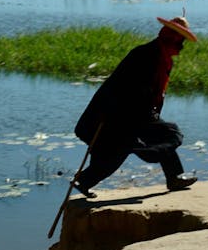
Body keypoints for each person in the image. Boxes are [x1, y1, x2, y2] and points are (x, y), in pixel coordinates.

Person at [71, 16, 199, 197]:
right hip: (114, 115)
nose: (182, 46)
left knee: (124, 148)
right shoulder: (146, 55)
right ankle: (161, 167)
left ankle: (173, 176)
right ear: (171, 38)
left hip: (133, 114)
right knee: (166, 135)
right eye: (181, 40)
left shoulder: (159, 56)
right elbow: (129, 91)